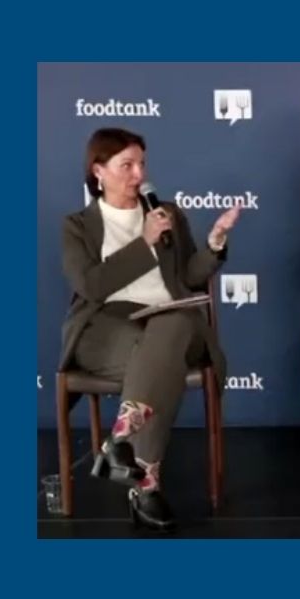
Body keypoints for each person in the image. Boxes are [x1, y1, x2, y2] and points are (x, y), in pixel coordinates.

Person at [59, 128, 240, 529]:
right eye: (126, 165)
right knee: (160, 364)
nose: (138, 174)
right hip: (106, 329)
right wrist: (143, 243)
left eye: (141, 164)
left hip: (170, 319)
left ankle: (125, 452)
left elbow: (190, 276)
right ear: (98, 171)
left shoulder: (167, 215)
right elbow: (90, 286)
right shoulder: (77, 226)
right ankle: (142, 479)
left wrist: (214, 245)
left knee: (171, 326)